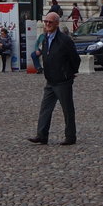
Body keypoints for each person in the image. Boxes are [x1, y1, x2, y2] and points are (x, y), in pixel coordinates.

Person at [28, 11, 81, 148]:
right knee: (45, 108)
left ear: (57, 23)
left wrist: (70, 73)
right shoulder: (45, 38)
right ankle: (42, 135)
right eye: (46, 22)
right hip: (50, 80)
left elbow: (75, 59)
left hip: (63, 80)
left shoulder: (65, 40)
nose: (47, 24)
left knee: (67, 110)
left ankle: (70, 136)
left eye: (50, 22)